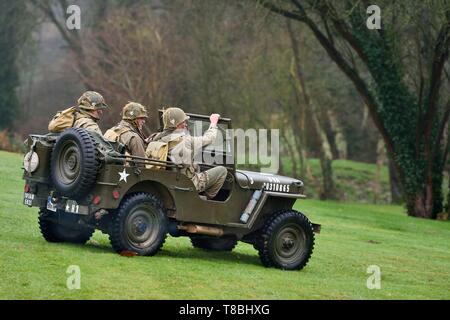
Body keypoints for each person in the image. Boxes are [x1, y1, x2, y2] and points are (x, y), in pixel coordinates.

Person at [148, 107, 227, 200]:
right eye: (183, 122)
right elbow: (210, 138)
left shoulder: (155, 138)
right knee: (222, 170)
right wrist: (213, 123)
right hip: (187, 183)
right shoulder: (186, 141)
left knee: (196, 166)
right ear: (178, 125)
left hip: (164, 182)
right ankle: (204, 200)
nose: (186, 125)